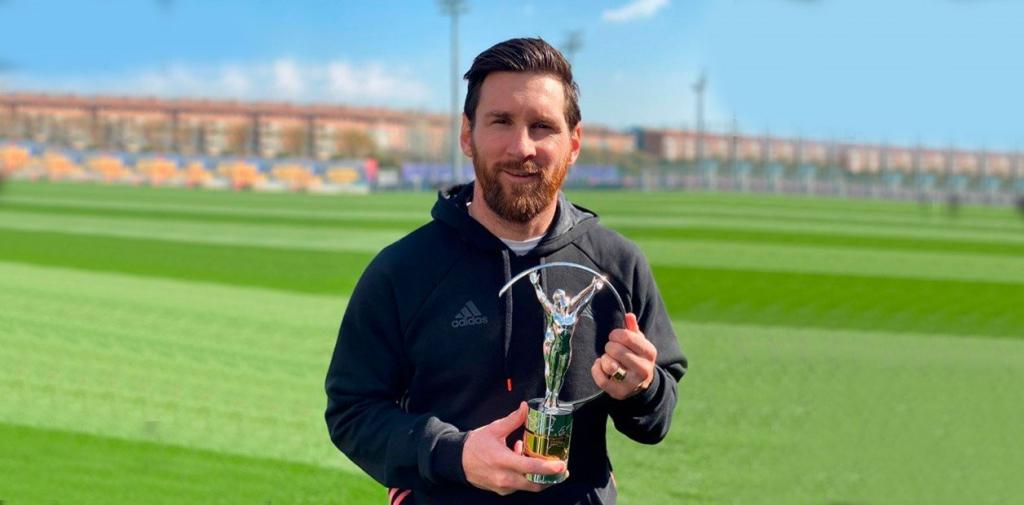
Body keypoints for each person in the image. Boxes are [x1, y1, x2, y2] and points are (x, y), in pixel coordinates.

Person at [325, 37, 687, 505]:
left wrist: (642, 387)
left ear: (573, 143)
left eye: (542, 126)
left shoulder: (616, 265)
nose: (523, 147)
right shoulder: (403, 270)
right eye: (501, 122)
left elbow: (655, 421)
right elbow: (352, 413)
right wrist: (455, 455)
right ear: (467, 134)